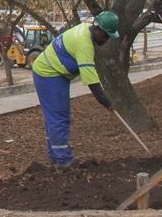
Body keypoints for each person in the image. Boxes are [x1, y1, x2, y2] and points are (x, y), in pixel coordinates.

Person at [31, 12, 119, 169]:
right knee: (59, 116)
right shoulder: (84, 44)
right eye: (105, 36)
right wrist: (107, 103)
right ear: (97, 28)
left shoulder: (86, 28)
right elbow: (93, 83)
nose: (106, 40)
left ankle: (56, 157)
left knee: (54, 116)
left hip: (54, 73)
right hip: (49, 74)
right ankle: (63, 160)